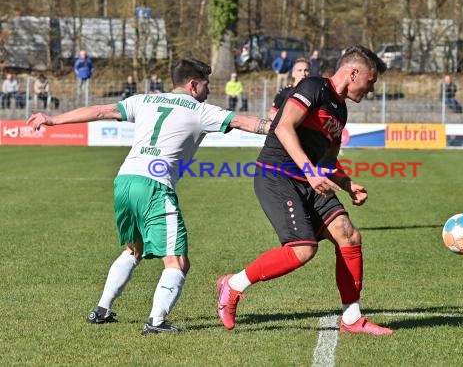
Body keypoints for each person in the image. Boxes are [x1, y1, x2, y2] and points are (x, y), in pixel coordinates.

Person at [26, 58, 272, 334]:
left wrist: (53, 119)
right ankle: (156, 321)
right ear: (192, 85)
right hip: (154, 185)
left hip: (125, 180)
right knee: (177, 260)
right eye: (206, 85)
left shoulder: (143, 100)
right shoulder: (202, 111)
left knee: (134, 249)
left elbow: (99, 112)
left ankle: (102, 310)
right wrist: (284, 127)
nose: (209, 91)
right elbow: (244, 122)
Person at [216, 45, 394, 336]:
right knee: (302, 250)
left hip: (309, 180)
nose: (371, 89)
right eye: (371, 81)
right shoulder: (313, 86)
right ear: (353, 72)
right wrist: (310, 173)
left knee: (349, 236)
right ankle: (232, 286)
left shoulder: (341, 110)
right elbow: (284, 127)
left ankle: (352, 319)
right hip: (276, 175)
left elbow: (328, 161)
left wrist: (348, 185)